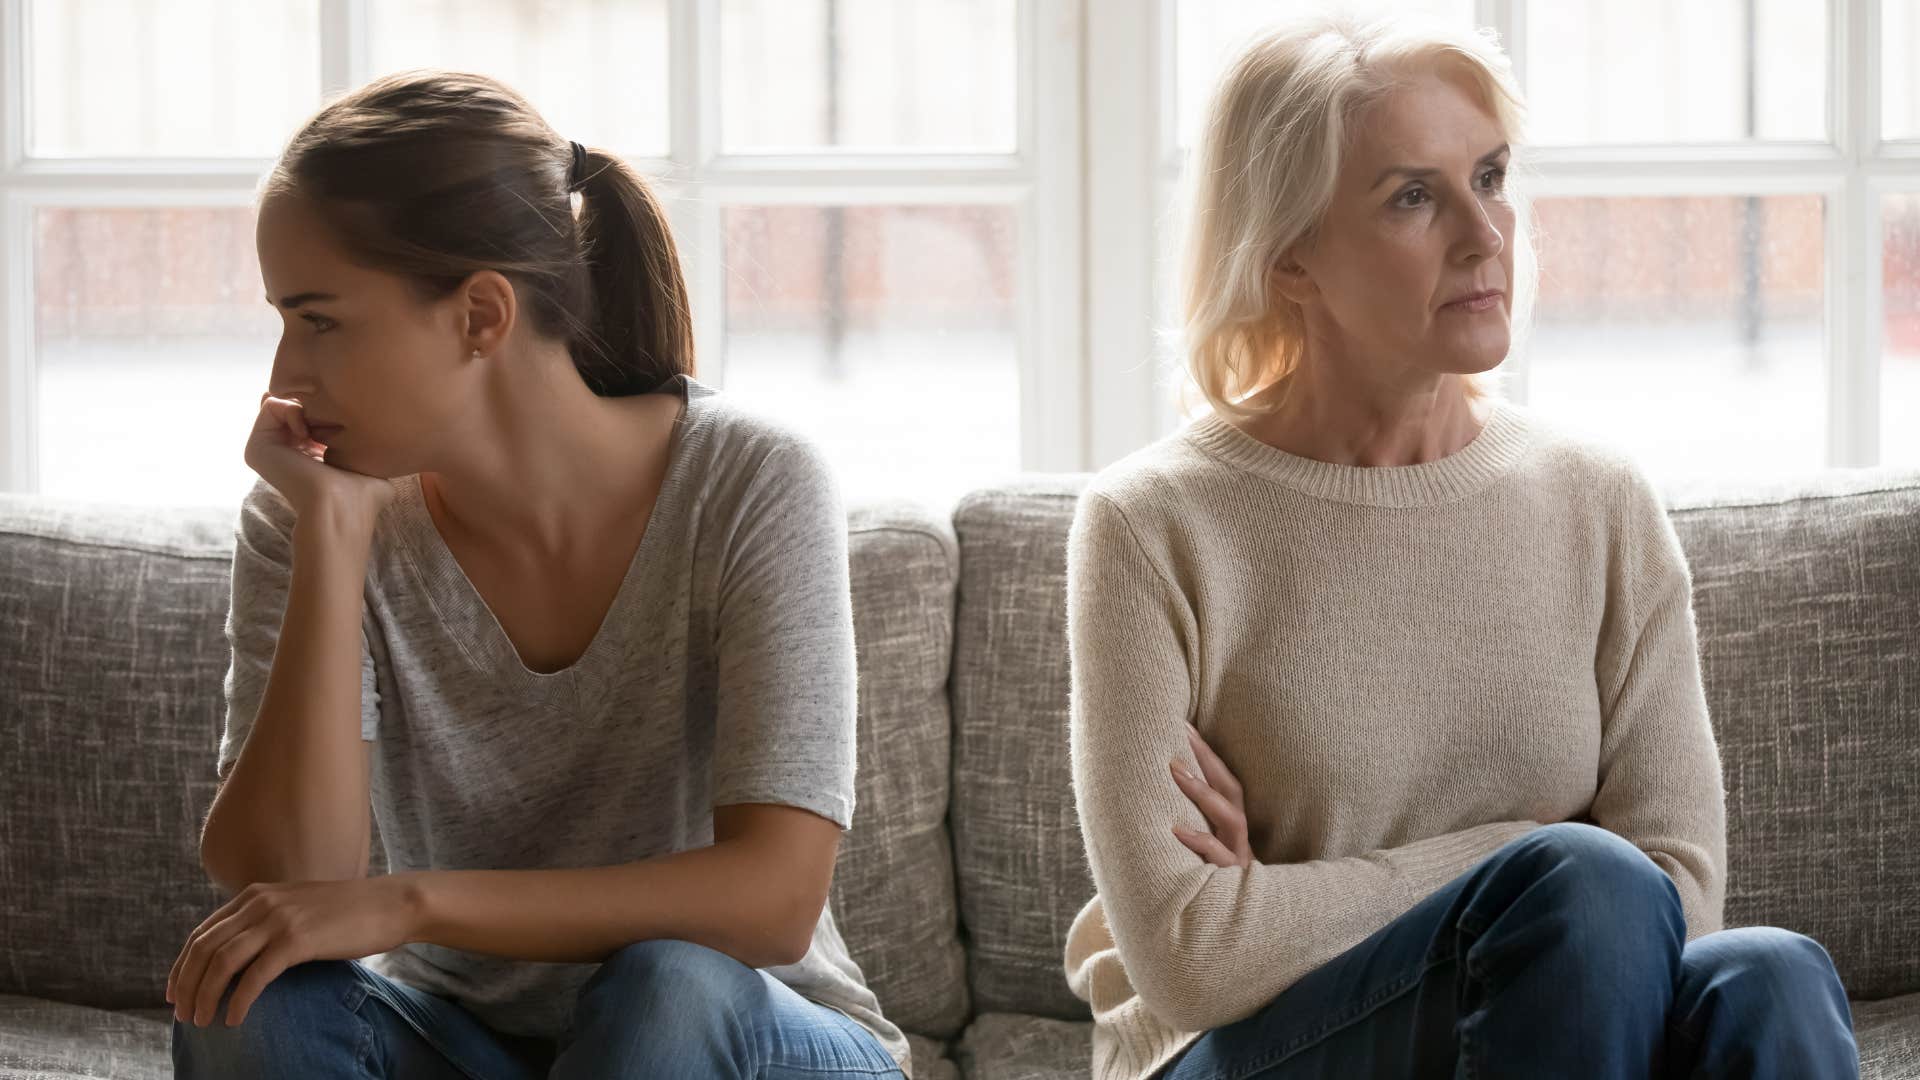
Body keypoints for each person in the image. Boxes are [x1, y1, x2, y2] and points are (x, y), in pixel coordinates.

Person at [1061, 15, 1858, 1080]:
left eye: (1489, 176)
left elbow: (1681, 897)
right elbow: (1193, 955)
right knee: (1579, 881)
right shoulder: (1151, 526)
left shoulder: (1597, 502)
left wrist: (1301, 894)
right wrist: (1510, 855)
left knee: (1769, 974)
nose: (1484, 235)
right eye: (1414, 196)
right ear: (1290, 252)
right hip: (1245, 1054)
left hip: (1560, 1029)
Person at [168, 68, 910, 1079]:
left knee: (664, 987)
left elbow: (771, 902)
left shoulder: (747, 481)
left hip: (744, 1038)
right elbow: (282, 887)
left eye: (320, 320)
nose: (284, 379)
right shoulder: (307, 513)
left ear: (481, 314)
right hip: (465, 1041)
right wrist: (331, 547)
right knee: (251, 1001)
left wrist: (411, 900)